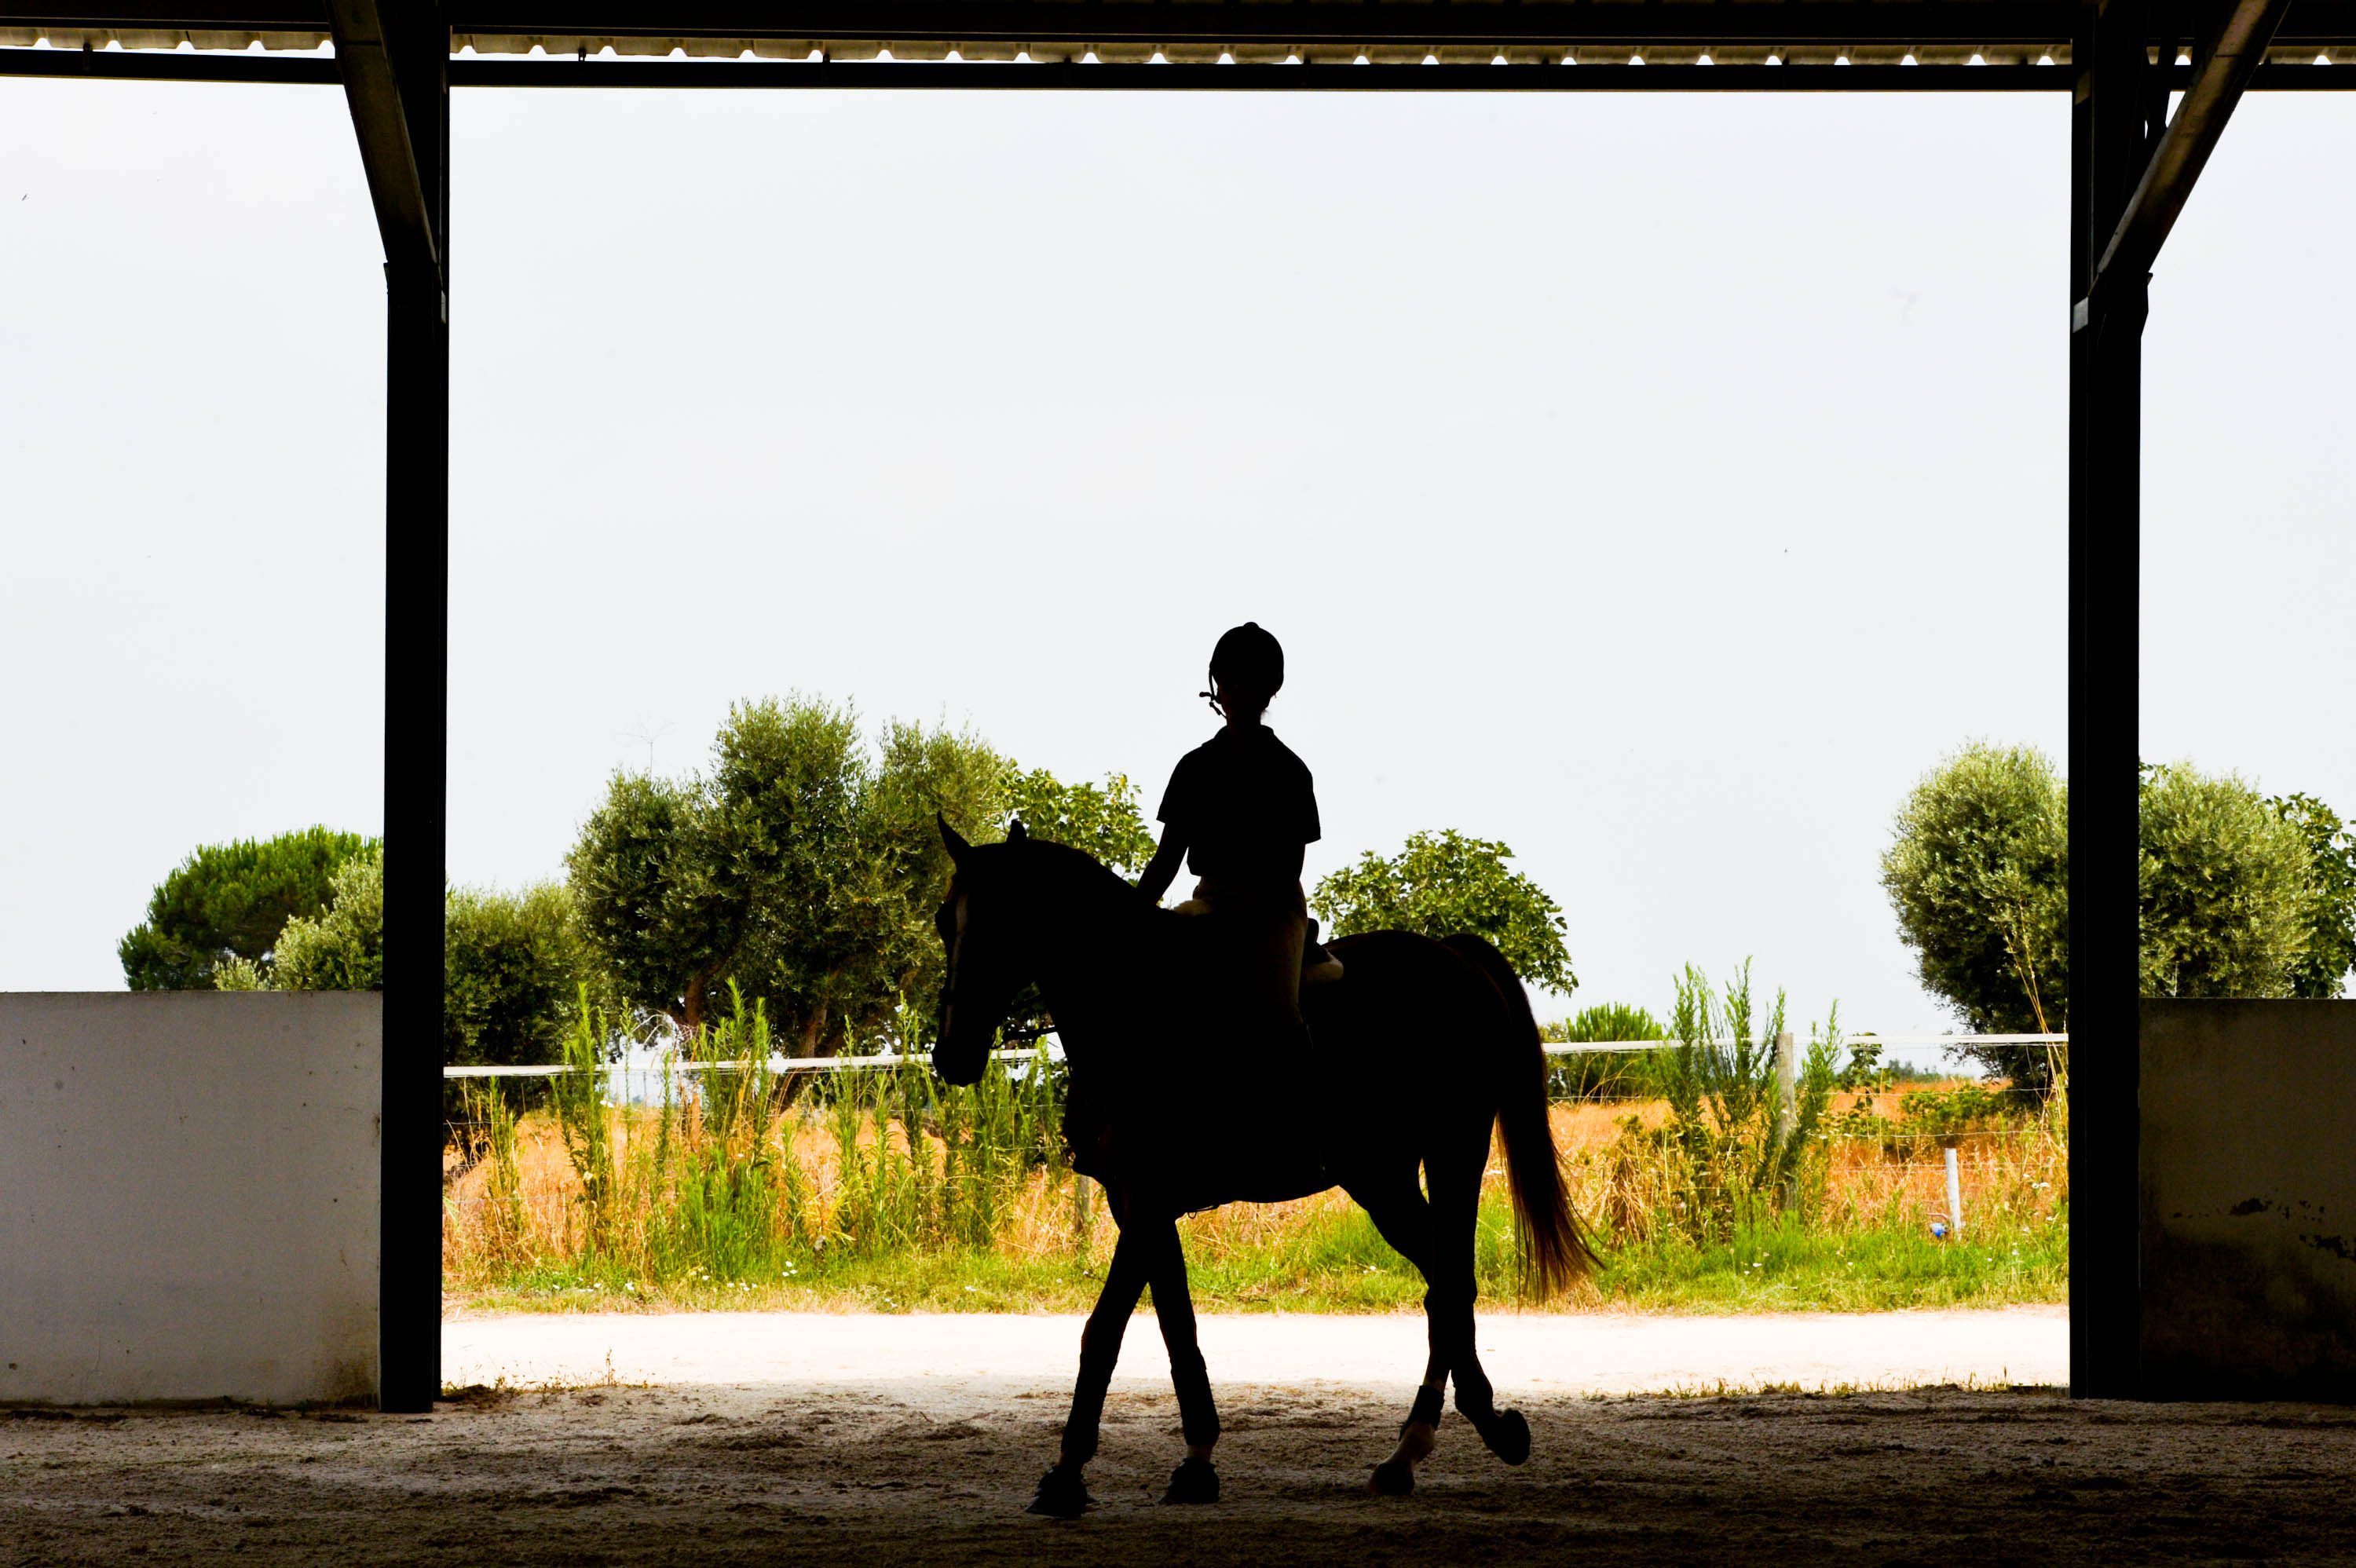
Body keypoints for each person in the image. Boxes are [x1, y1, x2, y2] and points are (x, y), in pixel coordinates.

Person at [1137, 624, 1341, 1056]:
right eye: (1229, 678)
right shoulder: (1193, 768)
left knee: (1281, 1014)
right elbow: (1166, 860)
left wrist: (1237, 911)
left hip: (1274, 913)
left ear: (1269, 692)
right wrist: (1129, 919)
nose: (1236, 688)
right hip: (1208, 904)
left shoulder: (1290, 771)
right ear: (1218, 685)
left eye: (1249, 680)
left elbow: (1289, 869)